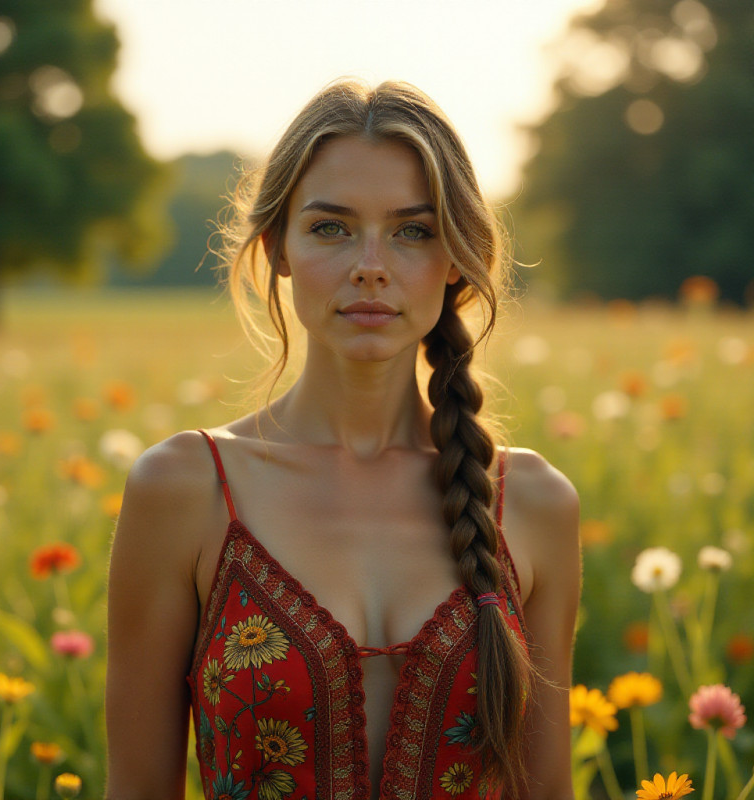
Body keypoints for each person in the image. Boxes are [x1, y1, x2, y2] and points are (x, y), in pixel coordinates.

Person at [105, 79, 580, 800]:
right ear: (279, 249)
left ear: (457, 257)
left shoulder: (533, 502)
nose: (370, 263)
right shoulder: (185, 489)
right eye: (331, 227)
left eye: (413, 231)